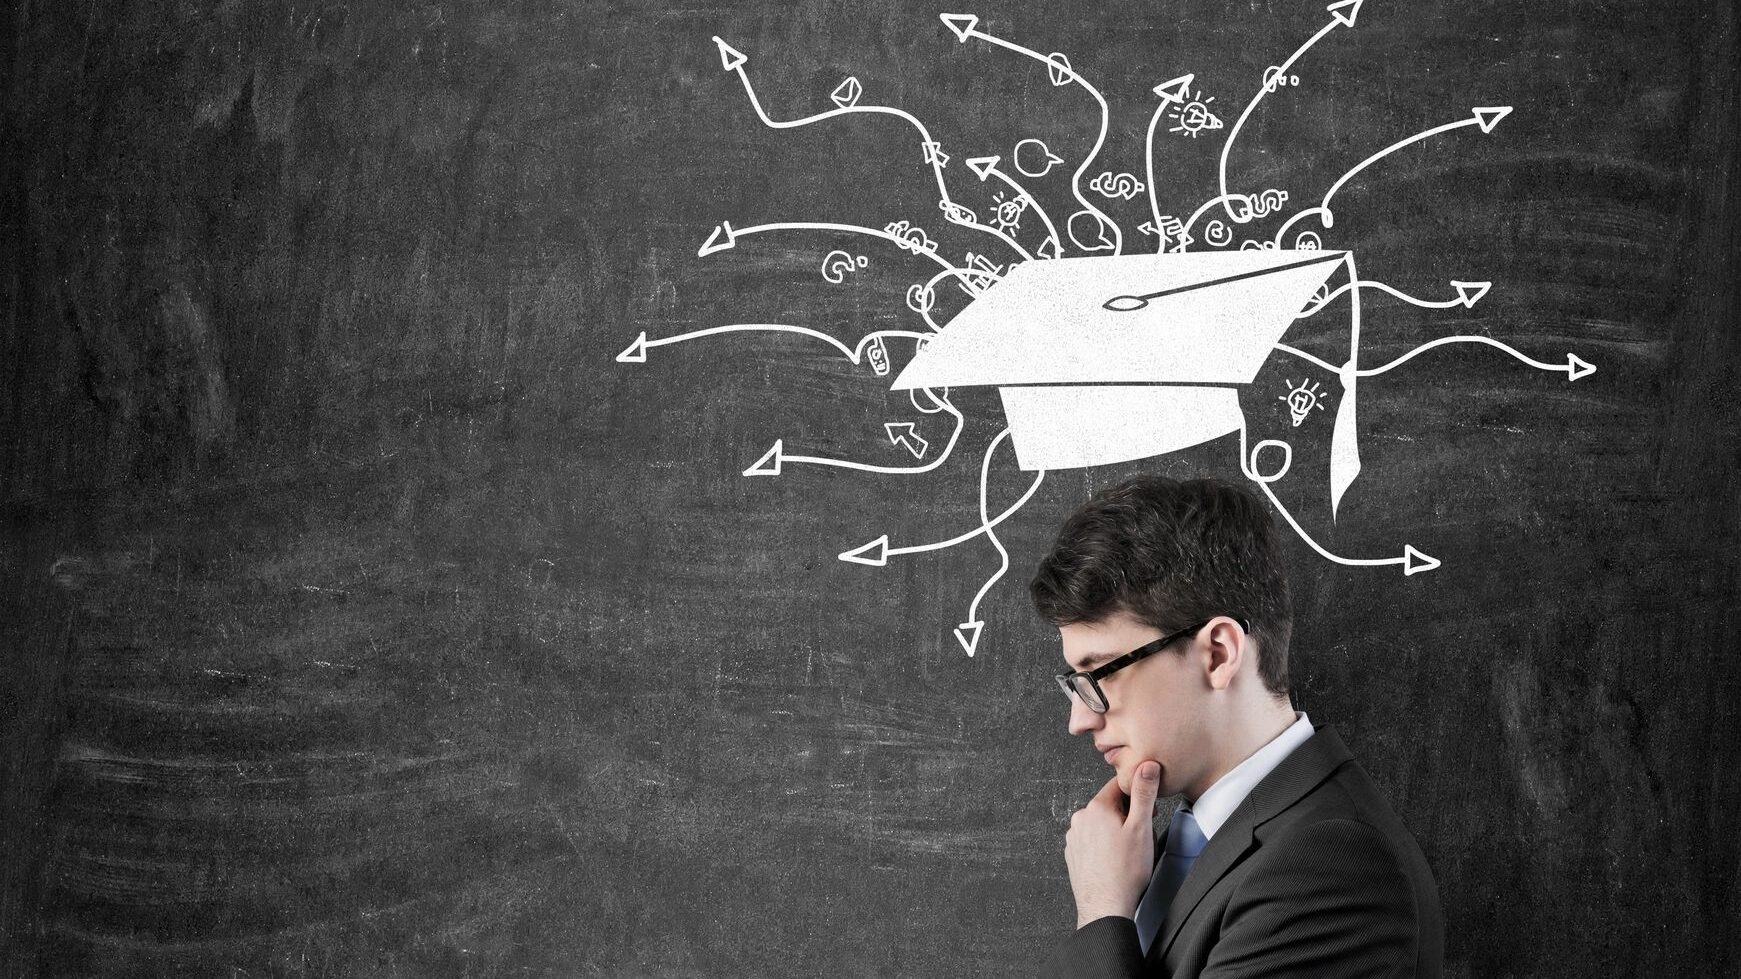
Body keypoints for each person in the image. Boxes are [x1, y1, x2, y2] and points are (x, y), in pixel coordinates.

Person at [1030, 475, 1443, 978]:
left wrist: (1100, 913)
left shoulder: (1331, 867)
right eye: (1075, 684)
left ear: (1219, 653)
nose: (1080, 719)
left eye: (1100, 674)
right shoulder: (1182, 848)